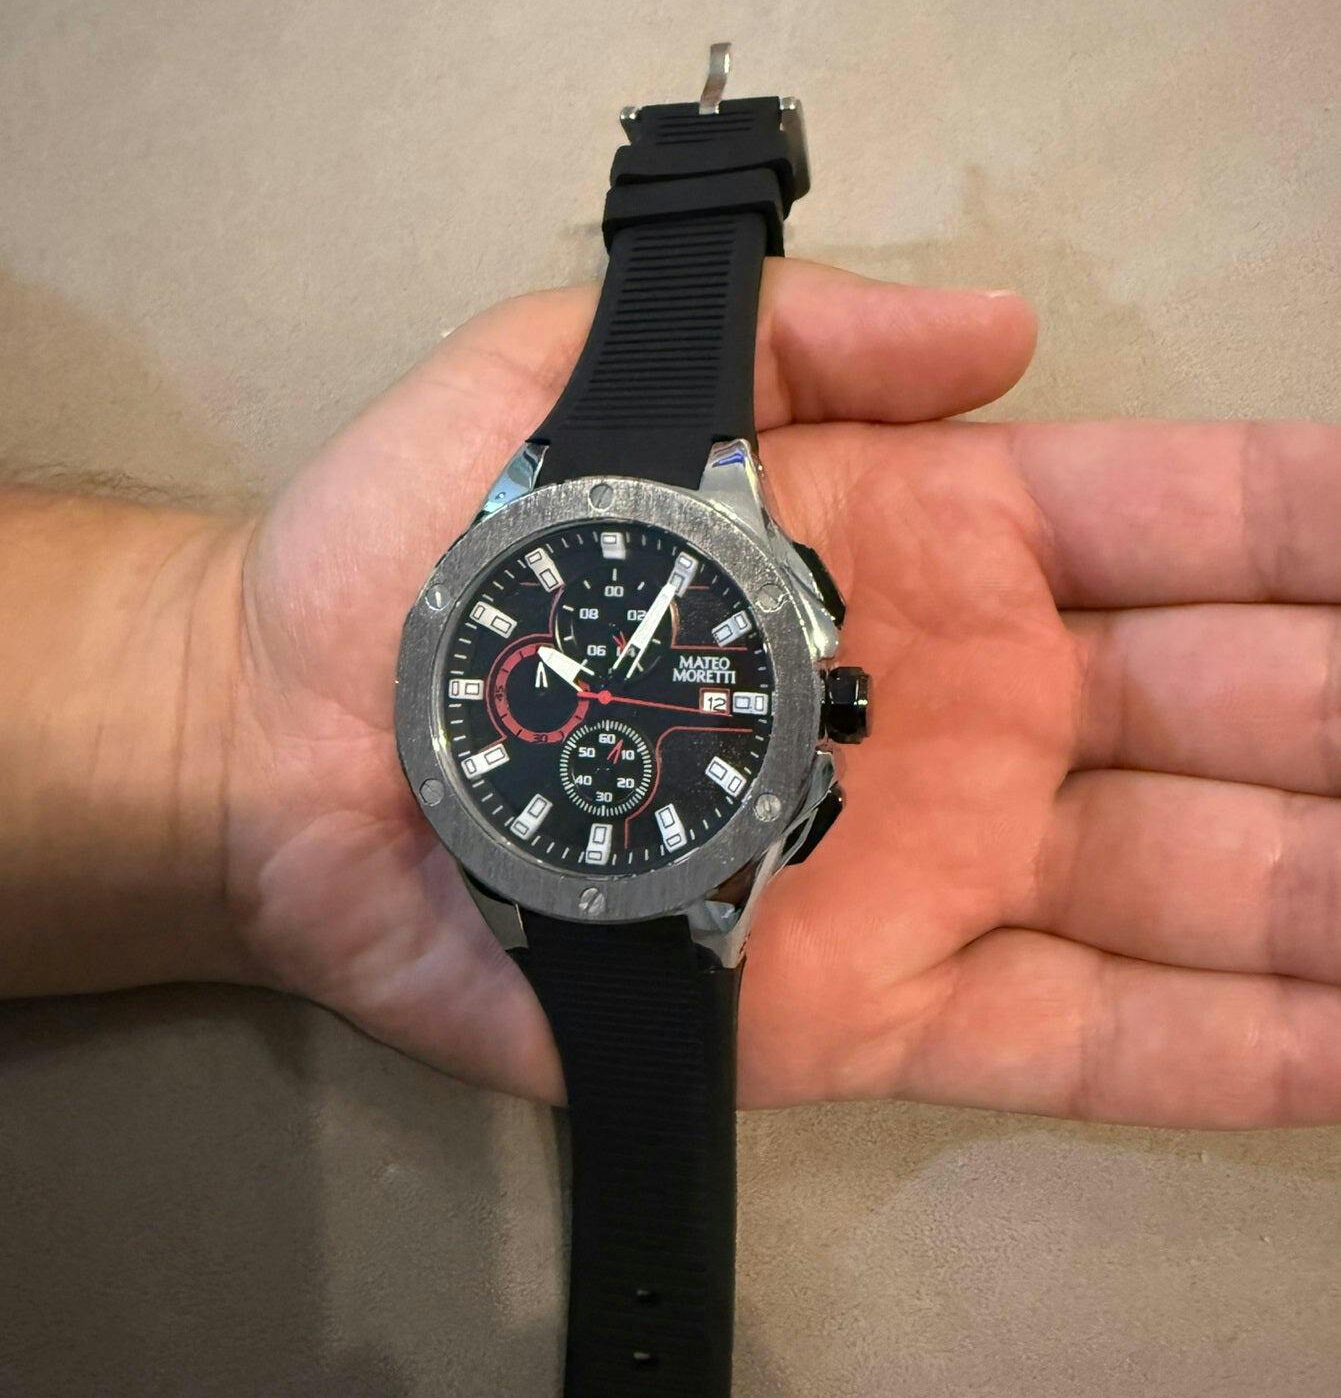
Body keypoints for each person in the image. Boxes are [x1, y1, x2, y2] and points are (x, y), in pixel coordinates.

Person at [3, 260, 1338, 1127]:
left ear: (822, 705)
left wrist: (209, 688)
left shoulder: (684, 642)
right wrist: (226, 685)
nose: (581, 691)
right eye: (559, 682)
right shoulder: (528, 615)